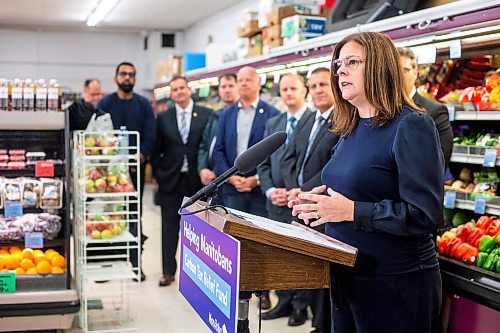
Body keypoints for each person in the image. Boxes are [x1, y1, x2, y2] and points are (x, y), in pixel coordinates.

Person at [289, 32, 444, 333]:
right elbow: (351, 193)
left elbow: (425, 215)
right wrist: (317, 204)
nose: (340, 71)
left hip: (395, 284)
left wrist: (351, 212)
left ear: (379, 66)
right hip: (346, 275)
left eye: (352, 62)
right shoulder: (351, 127)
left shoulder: (411, 124)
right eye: (338, 64)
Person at [212, 65, 280, 309]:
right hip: (232, 187)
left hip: (259, 189)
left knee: (260, 241)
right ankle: (234, 285)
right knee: (234, 239)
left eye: (247, 80)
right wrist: (229, 176)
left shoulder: (272, 114)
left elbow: (275, 153)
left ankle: (262, 291)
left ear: (258, 83)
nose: (242, 84)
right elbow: (218, 150)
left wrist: (258, 179)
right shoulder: (226, 114)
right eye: (239, 80)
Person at [281, 67, 339, 333]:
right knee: (305, 268)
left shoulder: (342, 120)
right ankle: (316, 320)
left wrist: (302, 190)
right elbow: (288, 157)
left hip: (323, 206)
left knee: (321, 271)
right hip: (300, 204)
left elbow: (334, 166)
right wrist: (294, 188)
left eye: (323, 85)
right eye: (313, 85)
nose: (317, 90)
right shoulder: (307, 119)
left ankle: (322, 324)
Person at [257, 73, 311, 326]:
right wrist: (269, 191)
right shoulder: (273, 123)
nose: (288, 93)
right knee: (278, 254)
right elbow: (263, 164)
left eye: (293, 88)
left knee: (300, 255)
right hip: (276, 202)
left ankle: (301, 305)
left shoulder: (315, 121)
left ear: (304, 91)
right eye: (284, 89)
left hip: (302, 201)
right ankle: (284, 300)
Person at [97, 62, 156, 282]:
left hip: (134, 170)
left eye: (131, 74)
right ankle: (107, 261)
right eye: (123, 74)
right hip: (106, 174)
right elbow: (97, 133)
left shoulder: (143, 105)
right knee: (106, 215)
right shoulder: (105, 103)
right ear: (115, 78)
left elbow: (151, 134)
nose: (127, 78)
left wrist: (142, 154)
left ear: (135, 79)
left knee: (133, 216)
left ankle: (135, 264)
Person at [153, 76, 212, 287]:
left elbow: (209, 145)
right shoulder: (163, 117)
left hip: (198, 182)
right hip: (171, 181)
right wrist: (160, 174)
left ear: (189, 90)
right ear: (171, 94)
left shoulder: (207, 114)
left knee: (200, 231)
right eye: (175, 89)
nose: (179, 92)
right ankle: (168, 271)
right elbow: (156, 149)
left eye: (182, 88)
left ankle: (201, 272)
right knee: (169, 229)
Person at [398, 47, 453, 168]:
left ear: (415, 71)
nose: (399, 76)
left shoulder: (435, 111)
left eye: (405, 70)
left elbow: (440, 162)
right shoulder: (382, 110)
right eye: (395, 71)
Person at [198, 73, 239, 186]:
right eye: (223, 86)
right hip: (211, 179)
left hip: (230, 179)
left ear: (238, 87)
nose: (227, 90)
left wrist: (217, 172)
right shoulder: (215, 115)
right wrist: (203, 168)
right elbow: (204, 145)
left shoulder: (241, 117)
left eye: (231, 86)